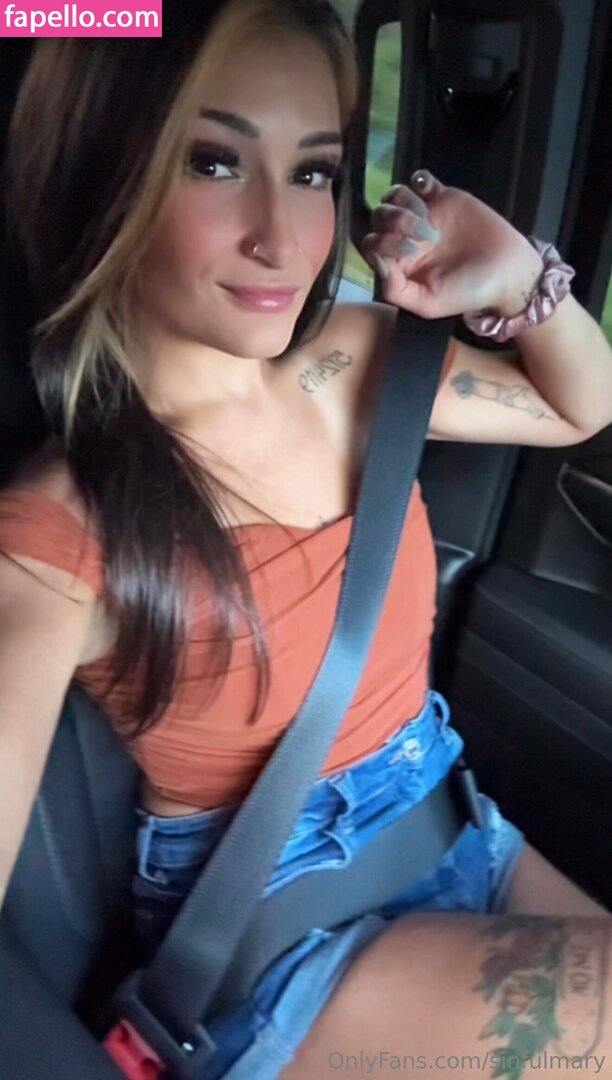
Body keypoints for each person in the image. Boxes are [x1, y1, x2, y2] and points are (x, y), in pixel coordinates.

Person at [0, 2, 611, 1077]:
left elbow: (580, 406)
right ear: (106, 177)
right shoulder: (58, 532)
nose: (281, 239)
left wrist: (521, 276)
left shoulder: (350, 362)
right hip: (285, 948)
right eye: (214, 163)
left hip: (456, 823)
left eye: (316, 172)